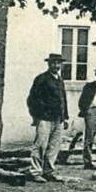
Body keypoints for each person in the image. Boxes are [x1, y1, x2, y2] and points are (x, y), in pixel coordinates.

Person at [24, 53, 69, 183]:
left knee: (54, 146)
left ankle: (49, 171)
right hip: (44, 118)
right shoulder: (41, 79)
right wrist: (37, 116)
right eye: (54, 63)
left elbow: (63, 100)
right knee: (40, 145)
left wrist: (64, 117)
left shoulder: (60, 80)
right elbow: (32, 99)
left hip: (58, 118)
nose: (56, 66)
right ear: (49, 64)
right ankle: (35, 172)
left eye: (58, 63)